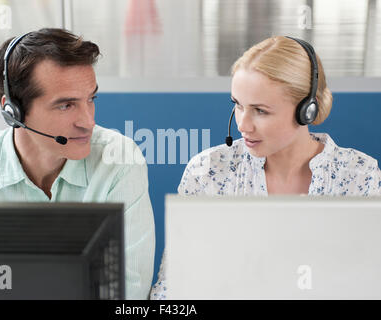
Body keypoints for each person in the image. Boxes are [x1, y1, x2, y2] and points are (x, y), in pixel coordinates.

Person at [150, 35, 381, 299]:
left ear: (306, 109)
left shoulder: (358, 176)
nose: (242, 125)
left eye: (260, 110)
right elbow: (171, 288)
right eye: (237, 105)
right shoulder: (207, 171)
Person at [0, 28, 155, 300]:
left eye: (91, 99)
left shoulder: (118, 161)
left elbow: (127, 292)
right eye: (66, 106)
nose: (88, 121)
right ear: (13, 111)